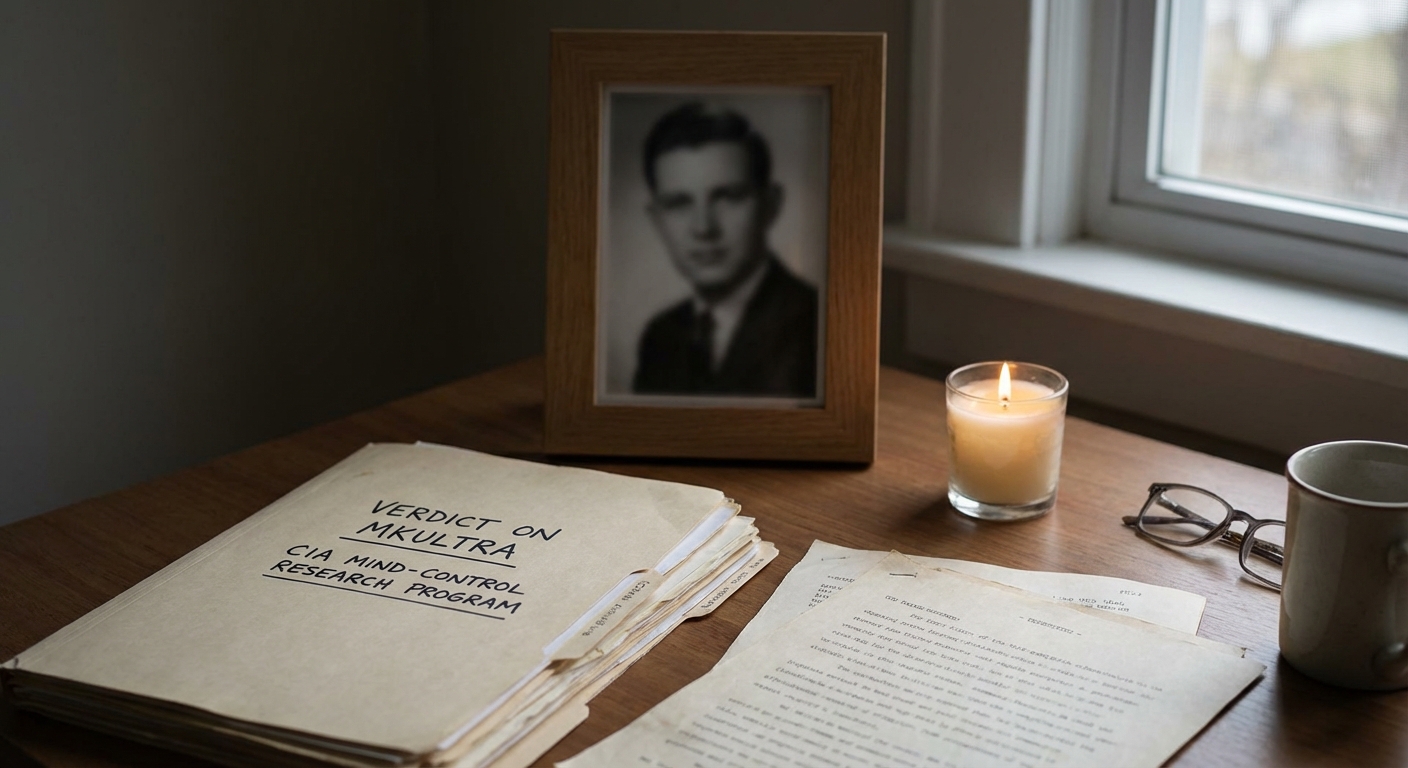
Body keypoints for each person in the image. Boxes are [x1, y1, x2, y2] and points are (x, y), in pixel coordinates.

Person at [632, 102, 819, 398]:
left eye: (728, 197)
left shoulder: (817, 327)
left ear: (770, 205)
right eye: (678, 203)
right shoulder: (660, 337)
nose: (704, 228)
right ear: (656, 220)